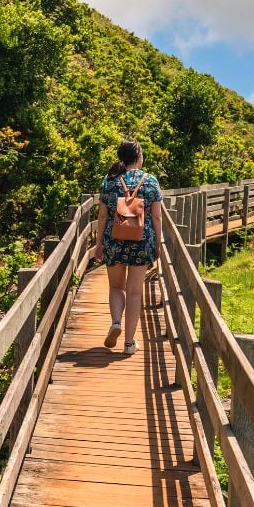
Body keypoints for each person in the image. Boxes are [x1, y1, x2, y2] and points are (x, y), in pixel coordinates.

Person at [91, 140, 163, 355]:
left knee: (116, 287)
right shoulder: (150, 181)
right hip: (142, 242)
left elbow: (103, 215)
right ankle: (129, 343)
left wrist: (99, 244)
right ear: (139, 156)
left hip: (114, 240)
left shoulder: (110, 180)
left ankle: (115, 322)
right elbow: (157, 217)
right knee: (134, 293)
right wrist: (158, 244)